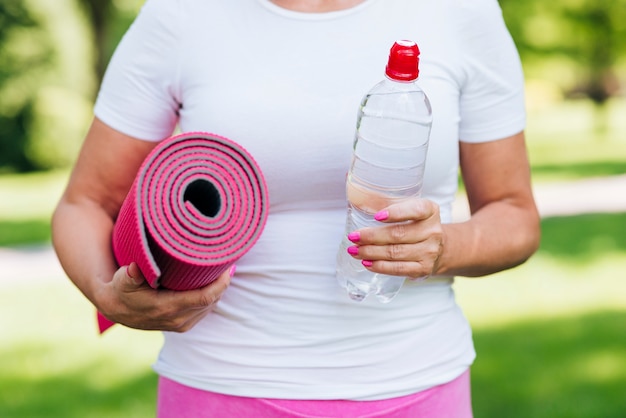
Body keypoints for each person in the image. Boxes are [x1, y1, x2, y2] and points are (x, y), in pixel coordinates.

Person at [51, 0, 541, 416]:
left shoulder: (460, 11)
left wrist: (446, 247)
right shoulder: (182, 14)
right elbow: (86, 202)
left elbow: (512, 212)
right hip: (220, 388)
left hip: (417, 385)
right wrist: (104, 292)